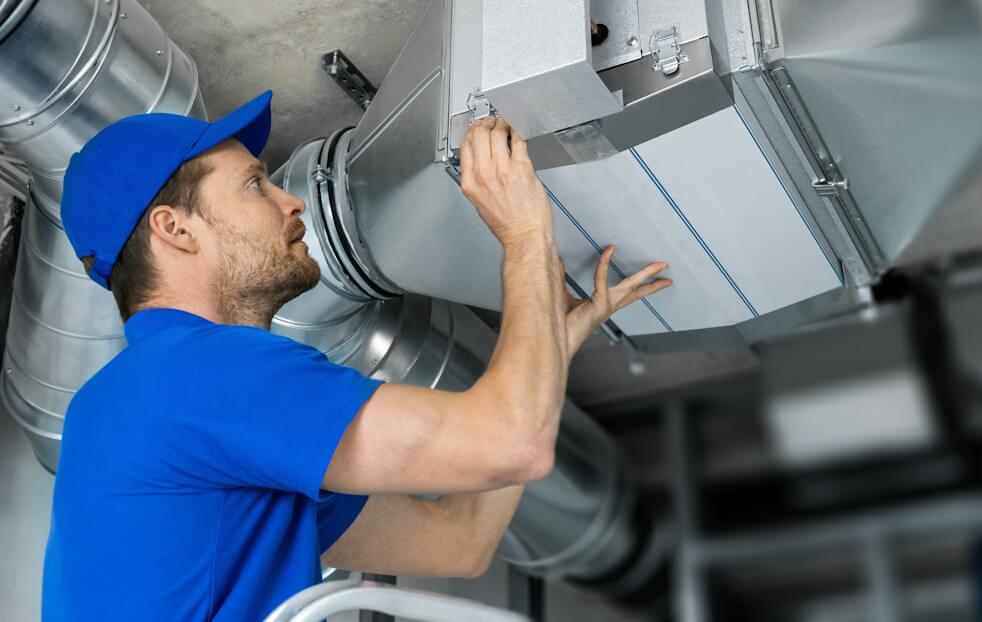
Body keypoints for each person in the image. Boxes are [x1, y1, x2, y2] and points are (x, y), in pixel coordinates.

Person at [43, 91, 671, 620]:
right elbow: (514, 446)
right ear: (175, 229)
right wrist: (526, 234)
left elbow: (462, 541)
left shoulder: (144, 406)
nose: (290, 202)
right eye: (254, 185)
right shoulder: (196, 375)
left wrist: (552, 343)